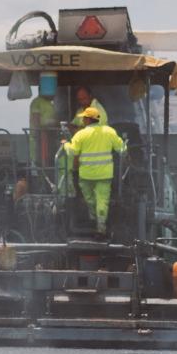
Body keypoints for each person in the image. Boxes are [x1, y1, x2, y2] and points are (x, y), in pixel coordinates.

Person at [65, 105, 126, 235]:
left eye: (84, 118)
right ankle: (101, 225)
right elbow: (121, 149)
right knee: (102, 200)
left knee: (90, 199)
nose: (82, 121)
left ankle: (94, 219)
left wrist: (65, 144)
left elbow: (72, 152)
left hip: (86, 176)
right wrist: (126, 144)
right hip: (104, 175)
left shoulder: (81, 134)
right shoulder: (109, 132)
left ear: (87, 120)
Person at [29, 73, 59, 173]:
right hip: (40, 139)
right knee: (41, 165)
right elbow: (36, 120)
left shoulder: (51, 103)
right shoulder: (36, 102)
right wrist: (48, 126)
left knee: (50, 163)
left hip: (50, 138)